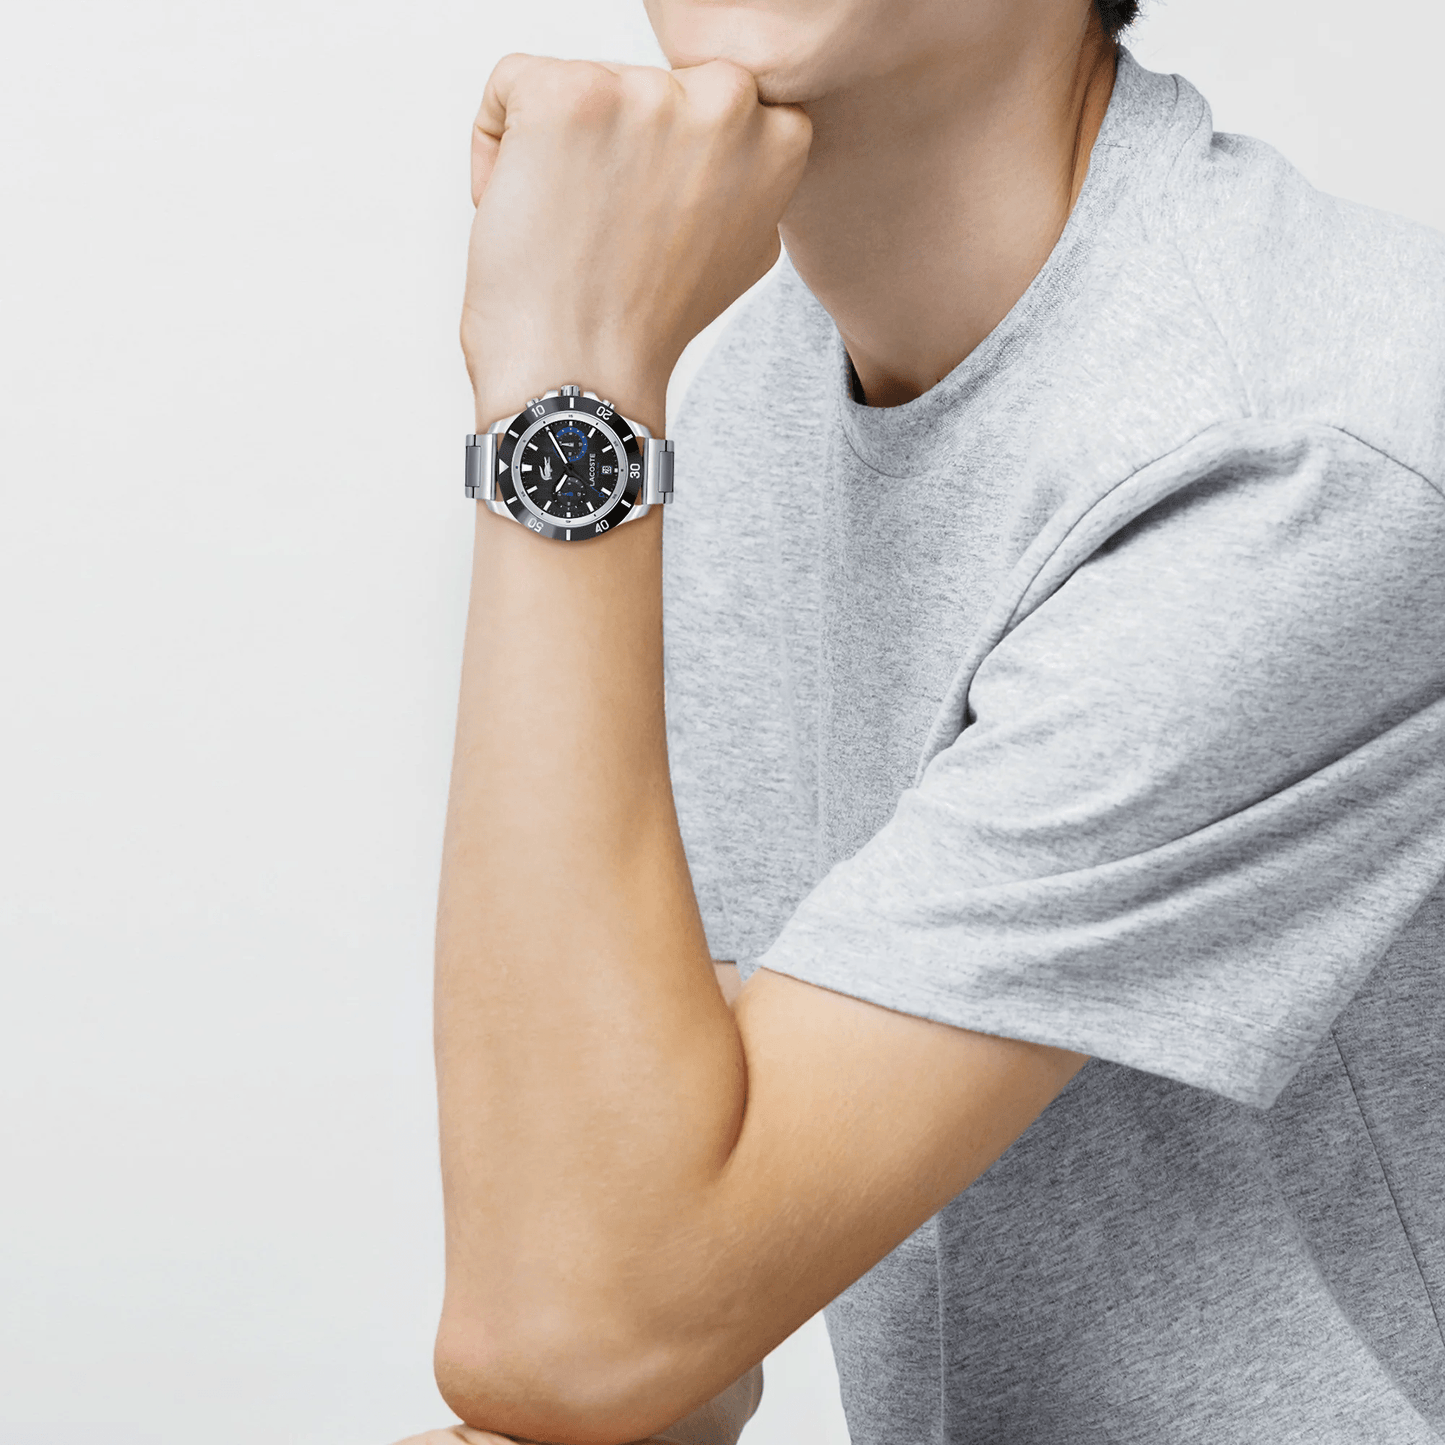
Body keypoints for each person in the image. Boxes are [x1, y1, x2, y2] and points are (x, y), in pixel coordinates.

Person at [396, 0, 1445, 1440]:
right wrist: (593, 385)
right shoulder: (768, 393)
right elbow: (647, 1337)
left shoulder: (1298, 454)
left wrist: (563, 373)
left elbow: (585, 1327)